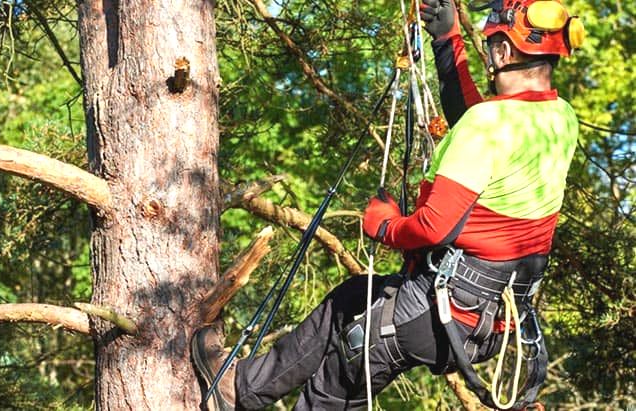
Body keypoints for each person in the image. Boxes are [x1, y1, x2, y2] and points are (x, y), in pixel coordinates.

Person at [192, 0, 583, 409]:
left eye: (490, 46)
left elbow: (435, 227)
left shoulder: (486, 126)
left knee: (336, 385)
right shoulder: (559, 118)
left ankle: (246, 392)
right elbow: (479, 119)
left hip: (441, 313)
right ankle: (241, 390)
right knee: (349, 300)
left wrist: (385, 226)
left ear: (503, 53)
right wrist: (448, 41)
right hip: (493, 322)